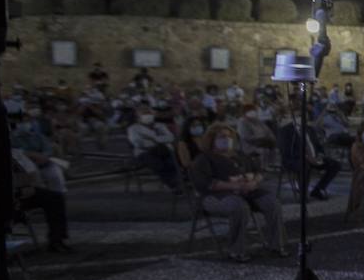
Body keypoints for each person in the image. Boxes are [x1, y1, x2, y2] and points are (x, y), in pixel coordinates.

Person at [190, 123, 286, 261]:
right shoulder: (204, 159)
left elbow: (258, 171)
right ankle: (236, 251)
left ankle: (277, 246)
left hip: (247, 191)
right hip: (214, 196)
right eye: (222, 137)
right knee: (239, 207)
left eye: (229, 137)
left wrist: (254, 182)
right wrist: (235, 185)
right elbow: (207, 184)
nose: (227, 139)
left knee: (272, 203)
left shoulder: (240, 155)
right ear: (212, 139)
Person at [278, 110, 342, 201]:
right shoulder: (286, 130)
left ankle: (318, 189)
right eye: (299, 115)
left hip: (314, 157)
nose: (303, 118)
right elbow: (286, 150)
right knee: (305, 165)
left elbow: (318, 146)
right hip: (295, 159)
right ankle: (303, 194)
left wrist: (320, 155)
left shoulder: (309, 129)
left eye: (305, 116)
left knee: (335, 165)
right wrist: (307, 157)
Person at [127, 107, 185, 194]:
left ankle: (176, 182)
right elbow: (138, 143)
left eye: (149, 113)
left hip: (163, 150)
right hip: (144, 153)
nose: (147, 115)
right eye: (144, 113)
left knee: (172, 160)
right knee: (157, 163)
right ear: (138, 116)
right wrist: (159, 140)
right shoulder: (133, 128)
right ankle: (174, 185)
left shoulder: (160, 125)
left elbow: (170, 137)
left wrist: (154, 139)